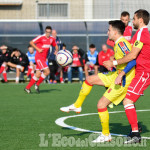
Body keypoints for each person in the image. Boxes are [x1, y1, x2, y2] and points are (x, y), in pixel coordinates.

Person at [60, 20, 136, 143]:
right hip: (116, 74)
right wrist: (113, 65)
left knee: (101, 105)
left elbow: (133, 60)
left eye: (109, 30)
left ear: (115, 32)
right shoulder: (118, 43)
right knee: (89, 79)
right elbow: (125, 61)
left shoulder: (122, 44)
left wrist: (119, 72)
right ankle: (77, 105)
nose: (107, 32)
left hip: (123, 79)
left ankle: (106, 135)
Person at [103, 9, 150, 144]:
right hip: (139, 72)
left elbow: (132, 56)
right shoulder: (139, 34)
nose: (132, 21)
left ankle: (135, 133)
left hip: (144, 73)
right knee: (128, 99)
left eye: (134, 19)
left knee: (128, 101)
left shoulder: (142, 34)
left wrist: (115, 63)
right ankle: (136, 129)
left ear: (140, 20)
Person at [24, 26, 58, 93]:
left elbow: (55, 45)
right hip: (38, 57)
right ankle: (37, 84)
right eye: (47, 32)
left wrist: (56, 51)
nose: (48, 33)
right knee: (47, 71)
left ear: (50, 32)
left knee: (38, 74)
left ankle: (27, 88)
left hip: (43, 58)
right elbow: (31, 42)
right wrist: (38, 49)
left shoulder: (51, 39)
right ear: (45, 31)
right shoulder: (41, 37)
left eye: (49, 32)